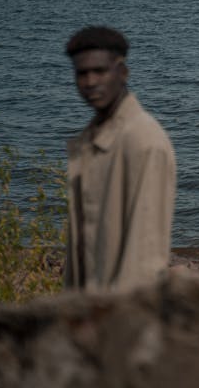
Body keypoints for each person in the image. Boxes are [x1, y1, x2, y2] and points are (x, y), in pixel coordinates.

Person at [64, 26, 176, 292]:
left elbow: (144, 259)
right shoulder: (90, 140)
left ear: (122, 72)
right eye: (82, 73)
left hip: (119, 321)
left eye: (100, 71)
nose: (90, 82)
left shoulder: (143, 140)